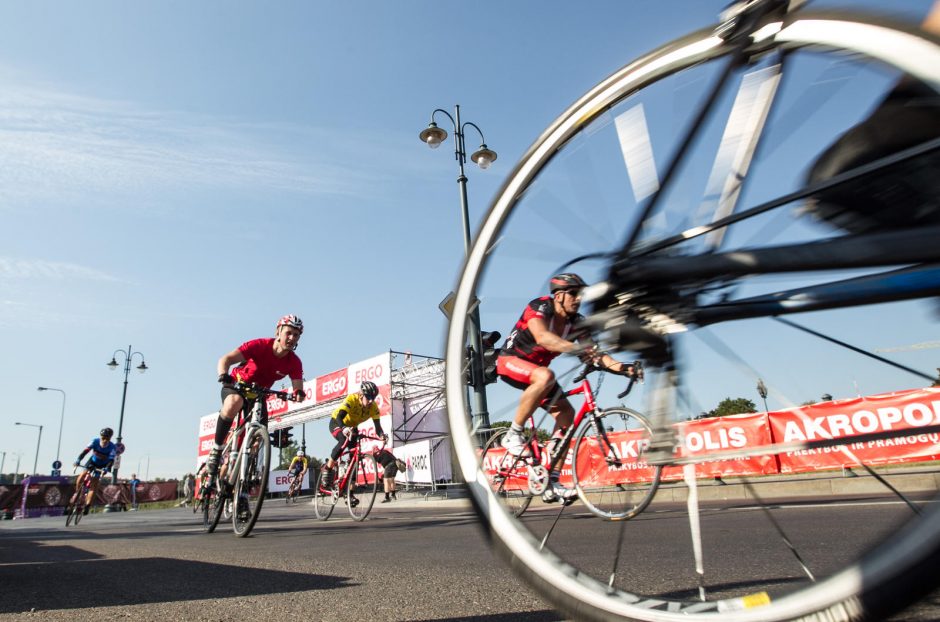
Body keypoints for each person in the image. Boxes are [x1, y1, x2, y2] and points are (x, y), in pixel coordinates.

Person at [496, 273, 638, 503]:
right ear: (559, 295)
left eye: (580, 294)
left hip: (541, 376)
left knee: (567, 416)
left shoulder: (577, 323)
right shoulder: (540, 306)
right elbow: (543, 338)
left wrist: (624, 368)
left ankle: (551, 480)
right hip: (511, 362)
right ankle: (513, 434)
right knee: (545, 375)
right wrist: (576, 348)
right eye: (573, 293)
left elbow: (595, 354)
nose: (578, 299)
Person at [206, 314, 306, 479]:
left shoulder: (294, 362)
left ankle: (244, 483)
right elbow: (226, 359)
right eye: (288, 333)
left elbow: (298, 389)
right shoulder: (260, 345)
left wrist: (298, 394)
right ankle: (217, 449)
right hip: (237, 386)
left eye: (296, 335)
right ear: (278, 332)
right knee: (234, 402)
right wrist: (223, 374)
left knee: (258, 438)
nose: (291, 338)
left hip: (258, 396)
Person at [319, 381, 387, 492]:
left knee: (355, 458)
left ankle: (349, 492)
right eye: (368, 397)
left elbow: (378, 427)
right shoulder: (352, 399)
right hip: (338, 422)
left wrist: (382, 436)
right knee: (343, 440)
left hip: (352, 427)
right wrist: (344, 428)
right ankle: (328, 468)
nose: (370, 401)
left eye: (373, 398)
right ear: (361, 395)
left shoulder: (373, 407)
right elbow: (340, 417)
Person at [68, 427, 118, 515]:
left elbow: (111, 460)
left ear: (110, 438)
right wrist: (78, 460)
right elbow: (85, 451)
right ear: (100, 437)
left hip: (103, 465)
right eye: (103, 438)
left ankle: (87, 505)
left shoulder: (112, 447)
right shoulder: (94, 441)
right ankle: (78, 494)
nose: (105, 440)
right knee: (82, 476)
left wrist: (106, 468)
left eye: (107, 438)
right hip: (92, 462)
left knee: (94, 485)